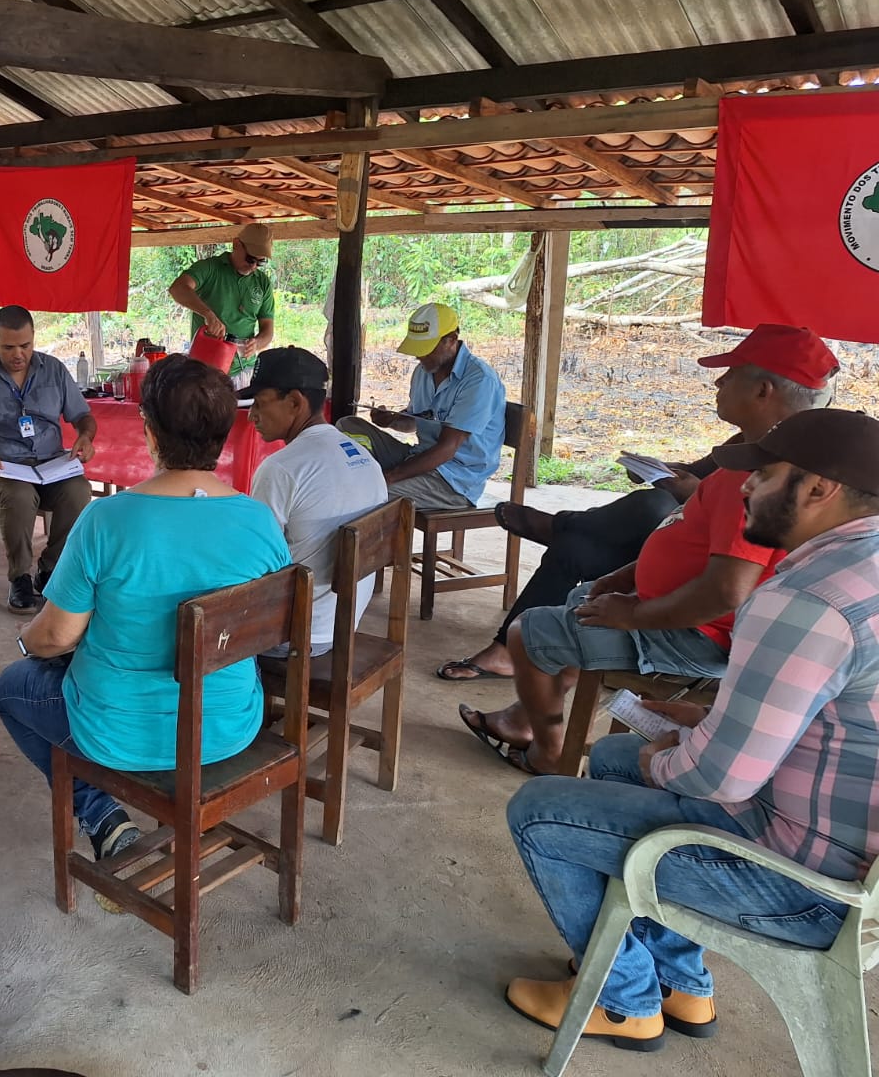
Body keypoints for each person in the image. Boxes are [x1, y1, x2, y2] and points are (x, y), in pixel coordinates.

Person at [503, 407, 879, 1051]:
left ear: (819, 488)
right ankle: (680, 981)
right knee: (614, 755)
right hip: (845, 848)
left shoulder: (809, 600)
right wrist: (708, 721)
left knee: (540, 810)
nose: (745, 487)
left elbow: (718, 778)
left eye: (764, 475)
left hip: (810, 888)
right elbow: (830, 719)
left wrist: (662, 758)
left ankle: (621, 999)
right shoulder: (859, 567)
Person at [458, 337, 833, 775]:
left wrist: (634, 614)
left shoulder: (762, 476)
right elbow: (700, 543)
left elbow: (728, 591)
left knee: (527, 632)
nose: (719, 382)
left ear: (763, 391)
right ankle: (525, 718)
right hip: (685, 618)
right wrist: (626, 577)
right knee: (584, 595)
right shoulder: (757, 456)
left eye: (731, 375)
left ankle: (549, 753)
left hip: (698, 635)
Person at [0, 355, 291, 866]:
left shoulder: (105, 520)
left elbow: (56, 637)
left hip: (119, 734)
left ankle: (100, 815)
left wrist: (26, 640)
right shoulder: (259, 521)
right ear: (225, 435)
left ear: (149, 432)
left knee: (12, 687)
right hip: (229, 726)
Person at [0, 305, 98, 615]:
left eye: (25, 345)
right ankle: (20, 578)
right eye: (8, 347)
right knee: (19, 495)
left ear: (33, 337)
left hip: (50, 467)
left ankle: (51, 568)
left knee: (79, 490)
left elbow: (83, 416)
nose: (18, 354)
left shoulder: (53, 369)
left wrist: (85, 436)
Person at [241, 346, 388, 653]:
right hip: (342, 624)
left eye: (259, 404)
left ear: (295, 402)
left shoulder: (281, 468)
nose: (252, 415)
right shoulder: (361, 455)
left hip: (295, 636)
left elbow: (253, 563)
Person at [336, 302, 505, 512]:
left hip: (454, 482)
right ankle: (362, 475)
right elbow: (415, 422)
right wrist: (392, 420)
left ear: (451, 340)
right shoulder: (423, 372)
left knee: (367, 493)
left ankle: (366, 491)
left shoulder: (479, 380)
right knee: (348, 425)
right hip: (420, 457)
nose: (419, 356)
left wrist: (389, 477)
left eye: (426, 349)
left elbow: (446, 449)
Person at [168, 223, 276, 376]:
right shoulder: (210, 268)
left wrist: (257, 343)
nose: (253, 266)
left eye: (260, 262)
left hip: (244, 369)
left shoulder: (262, 282)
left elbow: (268, 330)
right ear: (236, 244)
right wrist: (208, 314)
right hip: (206, 370)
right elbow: (177, 288)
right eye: (250, 259)